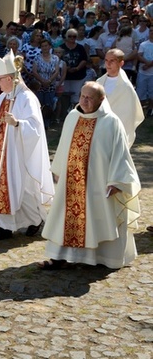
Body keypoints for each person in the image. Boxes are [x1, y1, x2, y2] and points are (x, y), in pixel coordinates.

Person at [40, 82, 140, 270]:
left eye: (89, 98)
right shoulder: (72, 116)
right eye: (82, 96)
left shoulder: (111, 122)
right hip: (71, 184)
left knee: (98, 219)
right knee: (64, 217)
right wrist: (59, 170)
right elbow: (63, 146)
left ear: (101, 100)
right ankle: (60, 257)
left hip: (99, 184)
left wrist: (116, 181)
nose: (84, 101)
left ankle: (101, 258)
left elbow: (121, 153)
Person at [0, 50, 54, 241]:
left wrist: (17, 123)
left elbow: (35, 126)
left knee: (23, 189)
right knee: (1, 187)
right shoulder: (3, 97)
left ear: (10, 78)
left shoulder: (27, 98)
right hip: (2, 151)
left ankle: (34, 220)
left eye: (0, 79)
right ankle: (5, 227)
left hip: (19, 152)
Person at [97, 49, 144, 147]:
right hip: (99, 128)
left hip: (116, 129)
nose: (108, 64)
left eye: (112, 61)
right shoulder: (99, 82)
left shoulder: (126, 87)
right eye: (106, 60)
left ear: (121, 63)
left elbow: (129, 114)